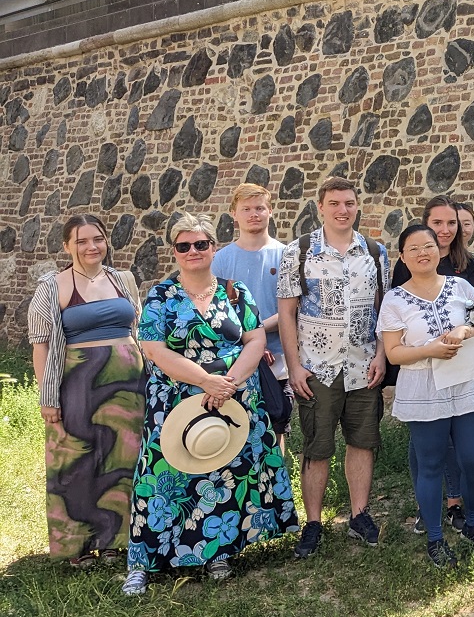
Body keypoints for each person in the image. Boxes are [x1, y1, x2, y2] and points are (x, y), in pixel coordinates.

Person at [122, 214, 298, 595]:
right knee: (162, 476)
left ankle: (218, 551)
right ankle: (143, 562)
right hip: (176, 399)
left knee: (224, 472)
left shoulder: (235, 292)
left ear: (213, 248)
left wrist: (228, 383)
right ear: (174, 251)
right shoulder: (160, 296)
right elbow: (153, 349)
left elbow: (254, 341)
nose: (193, 252)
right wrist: (205, 381)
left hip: (234, 396)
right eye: (184, 245)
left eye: (201, 244)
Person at [278, 176, 391, 558]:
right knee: (318, 446)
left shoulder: (375, 252)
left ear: (357, 206)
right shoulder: (300, 251)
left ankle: (360, 515)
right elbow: (287, 312)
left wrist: (382, 355)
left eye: (349, 203)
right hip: (317, 367)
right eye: (335, 203)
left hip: (364, 364)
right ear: (321, 207)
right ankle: (313, 523)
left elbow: (384, 311)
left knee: (362, 443)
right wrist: (294, 367)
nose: (343, 210)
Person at [28, 215, 146, 566]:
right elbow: (41, 346)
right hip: (77, 383)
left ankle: (115, 539)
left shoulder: (123, 279)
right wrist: (48, 396)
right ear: (67, 245)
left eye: (98, 239)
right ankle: (76, 546)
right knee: (75, 459)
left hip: (128, 386)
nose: (91, 246)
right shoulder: (53, 286)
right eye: (81, 241)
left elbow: (138, 327)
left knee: (122, 459)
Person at [378, 224, 474, 568]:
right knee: (430, 465)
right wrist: (430, 349)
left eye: (428, 245)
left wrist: (463, 329)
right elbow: (394, 353)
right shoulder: (395, 299)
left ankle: (473, 524)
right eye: (413, 248)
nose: (422, 252)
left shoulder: (459, 286)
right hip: (423, 388)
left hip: (464, 383)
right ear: (403, 257)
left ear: (438, 250)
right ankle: (434, 537)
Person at [212, 184, 289, 447]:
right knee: (234, 428)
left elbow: (291, 309)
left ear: (270, 211)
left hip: (279, 358)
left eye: (259, 208)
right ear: (234, 214)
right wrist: (251, 342)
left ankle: (279, 484)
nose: (253, 214)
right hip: (233, 359)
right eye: (246, 209)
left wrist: (257, 335)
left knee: (276, 427)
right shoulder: (220, 260)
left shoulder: (286, 255)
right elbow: (216, 311)